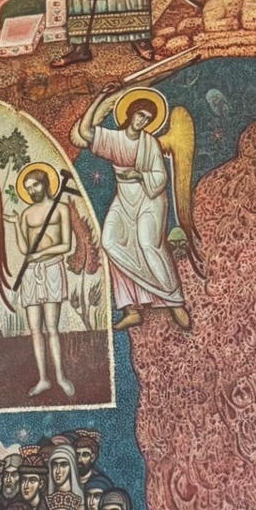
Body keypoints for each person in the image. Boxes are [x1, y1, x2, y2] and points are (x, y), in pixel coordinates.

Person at [72, 89, 190, 330]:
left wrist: (138, 174)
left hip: (149, 199)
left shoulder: (150, 143)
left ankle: (173, 299)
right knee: (110, 242)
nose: (142, 121)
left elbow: (160, 178)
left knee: (148, 244)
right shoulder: (114, 140)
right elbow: (85, 132)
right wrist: (99, 98)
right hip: (124, 198)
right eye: (139, 115)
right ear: (130, 114)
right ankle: (131, 308)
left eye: (147, 118)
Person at [5, 164, 75, 397]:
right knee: (35, 329)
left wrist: (41, 254)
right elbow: (25, 249)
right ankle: (43, 379)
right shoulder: (26, 214)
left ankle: (61, 377)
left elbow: (66, 245)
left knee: (52, 328)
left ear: (44, 183)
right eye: (28, 188)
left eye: (35, 185)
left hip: (52, 268)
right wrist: (17, 224)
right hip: (31, 273)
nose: (32, 190)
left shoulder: (60, 209)